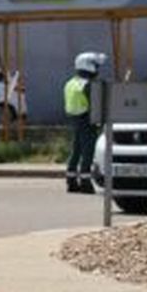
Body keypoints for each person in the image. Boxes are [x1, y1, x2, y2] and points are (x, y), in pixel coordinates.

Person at [64, 53, 102, 194]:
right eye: (96, 65)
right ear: (89, 66)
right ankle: (86, 182)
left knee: (76, 149)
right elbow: (95, 104)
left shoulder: (70, 82)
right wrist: (99, 120)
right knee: (88, 151)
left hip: (74, 119)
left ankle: (71, 180)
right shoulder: (87, 84)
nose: (98, 69)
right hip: (87, 119)